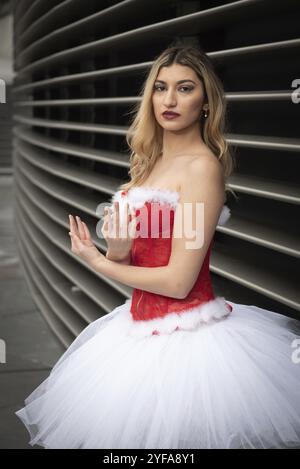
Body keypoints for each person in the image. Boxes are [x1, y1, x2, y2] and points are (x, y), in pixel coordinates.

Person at [15, 43, 300, 449]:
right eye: (160, 88)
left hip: (190, 344)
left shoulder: (202, 169)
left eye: (185, 88)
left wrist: (98, 262)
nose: (169, 100)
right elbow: (134, 259)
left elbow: (179, 282)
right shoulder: (149, 161)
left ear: (205, 103)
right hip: (135, 332)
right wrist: (116, 248)